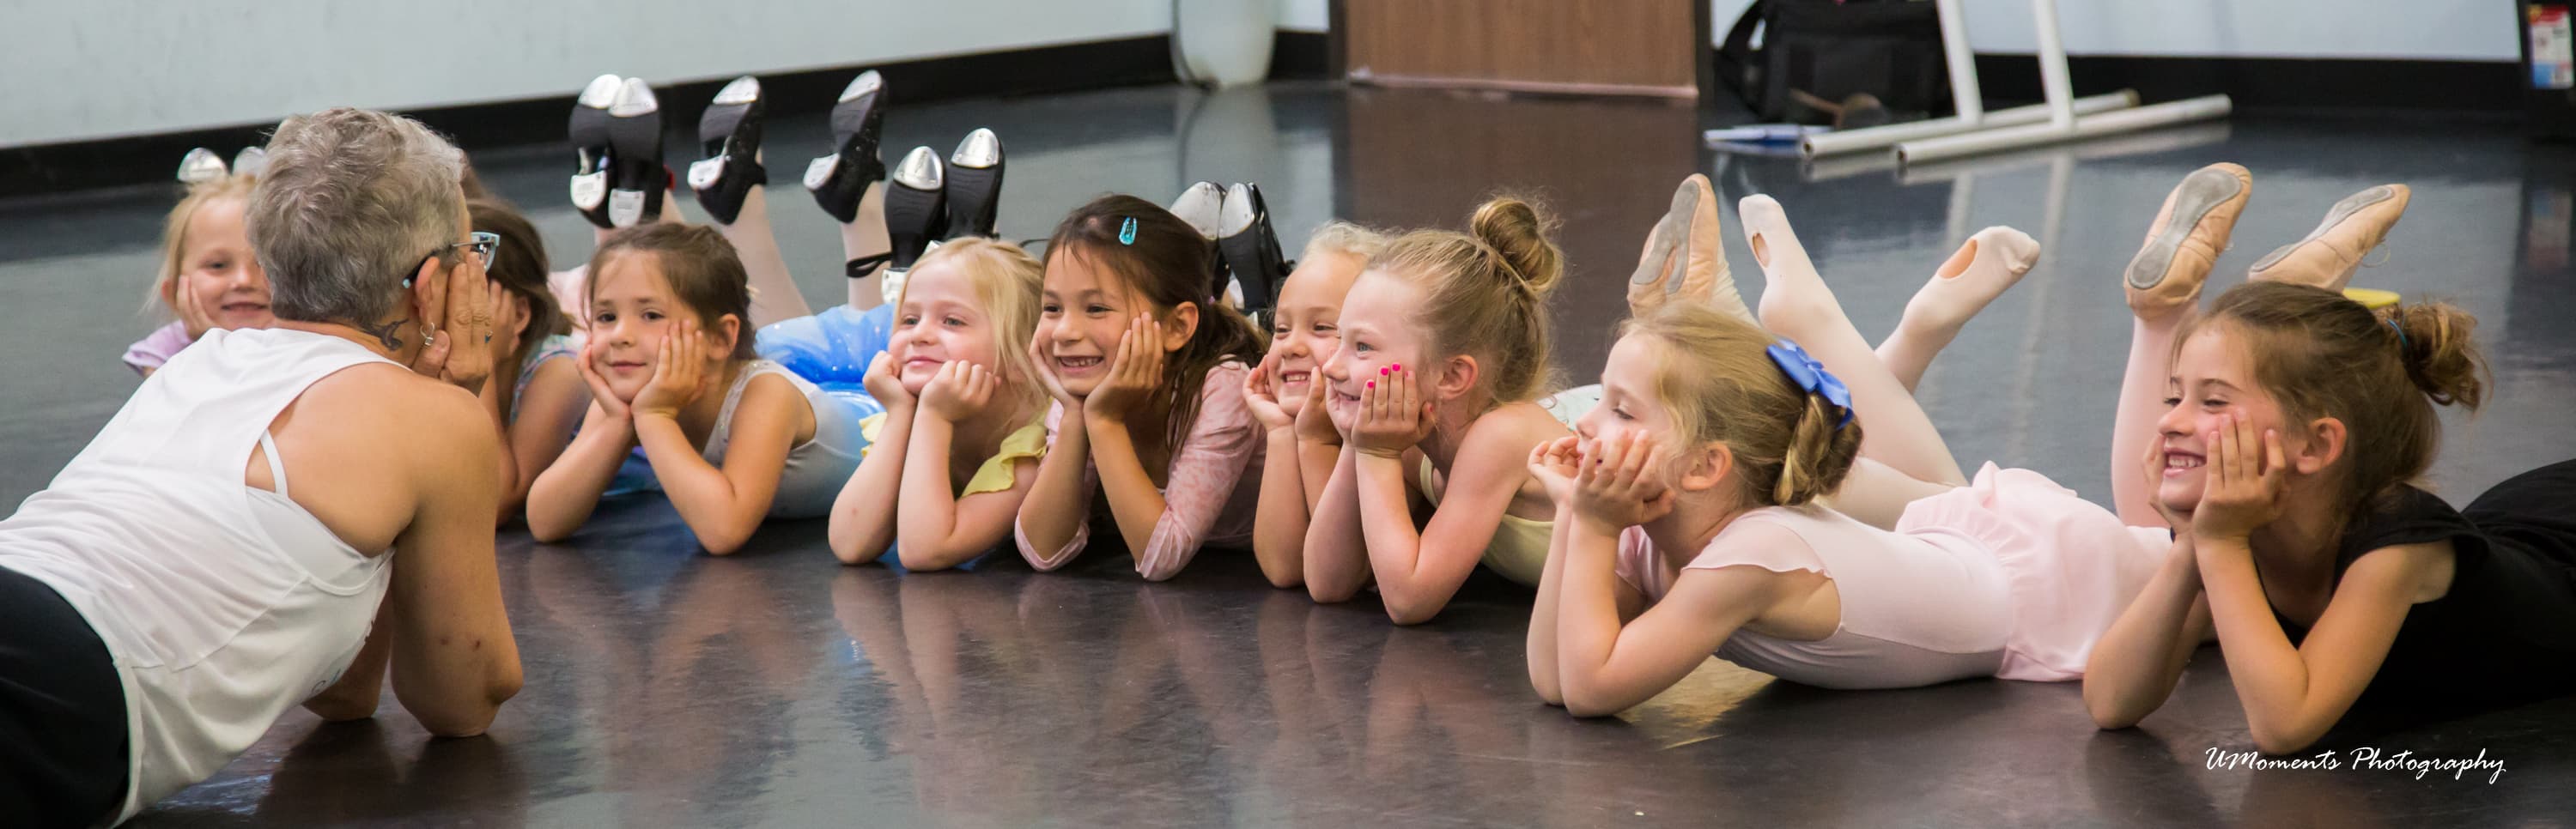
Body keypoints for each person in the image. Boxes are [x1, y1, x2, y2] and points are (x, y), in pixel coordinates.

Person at [0, 107, 523, 826]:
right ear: (434, 283)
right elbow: (464, 700)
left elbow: (340, 693)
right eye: (473, 254)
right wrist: (459, 404)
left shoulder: (199, 364)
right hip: (63, 678)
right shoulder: (436, 420)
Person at [1528, 194, 2160, 716]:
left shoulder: (1754, 555)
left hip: (2056, 587)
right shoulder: (1652, 530)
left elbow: (1591, 690)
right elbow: (1553, 678)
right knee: (2166, 538)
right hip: (1963, 541)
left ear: (1703, 467)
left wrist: (1588, 524)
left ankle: (2159, 321)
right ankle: (1870, 327)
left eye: (1619, 408)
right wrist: (1574, 515)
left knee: (2202, 560)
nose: (1583, 422)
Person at [2084, 165, 2576, 753]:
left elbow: (2285, 726)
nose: (2170, 421)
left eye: (2212, 401)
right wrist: (2191, 542)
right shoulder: (2236, 525)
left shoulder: (2398, 547)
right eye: (2173, 397)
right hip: (2518, 527)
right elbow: (2111, 702)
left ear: (2316, 445)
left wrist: (2216, 543)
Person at [1300, 197, 1574, 623]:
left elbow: (1409, 600)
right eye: (1339, 339)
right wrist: (1359, 444)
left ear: (1451, 377)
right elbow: (1328, 582)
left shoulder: (1502, 435)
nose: (1332, 366)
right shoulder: (1412, 442)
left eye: (1363, 346)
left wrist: (1376, 455)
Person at [524, 224, 872, 554]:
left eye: (650, 315)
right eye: (606, 317)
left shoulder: (766, 396)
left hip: (875, 425)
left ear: (720, 338)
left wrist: (654, 417)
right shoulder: (624, 398)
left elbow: (724, 531)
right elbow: (545, 521)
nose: (620, 336)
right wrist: (618, 423)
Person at [1013, 195, 1269, 580]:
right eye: (1052, 308)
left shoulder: (1224, 389)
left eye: (1096, 308)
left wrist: (1104, 420)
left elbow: (1161, 558)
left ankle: (1255, 299)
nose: (1064, 332)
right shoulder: (1085, 388)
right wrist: (1074, 417)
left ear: (1177, 327)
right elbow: (1043, 551)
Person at [825, 238, 1051, 569]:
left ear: (1021, 360)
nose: (920, 335)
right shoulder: (912, 411)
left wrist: (934, 418)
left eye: (953, 322)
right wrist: (901, 413)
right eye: (909, 320)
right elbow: (850, 544)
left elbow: (925, 550)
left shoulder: (1038, 444)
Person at [1243, 221, 1389, 589]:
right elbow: (1284, 568)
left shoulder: (1394, 434)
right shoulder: (1298, 423)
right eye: (1280, 329)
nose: (1291, 346)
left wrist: (1317, 441)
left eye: (1322, 328)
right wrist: (1279, 432)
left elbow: (1341, 578)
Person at [467, 198, 592, 523]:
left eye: (463, 300)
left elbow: (499, 504)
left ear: (519, 314)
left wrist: (484, 357)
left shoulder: (561, 369)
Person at [125, 169, 273, 376]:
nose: (244, 280)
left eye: (264, 262)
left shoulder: (315, 345)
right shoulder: (165, 356)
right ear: (175, 291)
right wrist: (210, 350)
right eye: (218, 265)